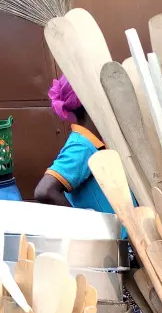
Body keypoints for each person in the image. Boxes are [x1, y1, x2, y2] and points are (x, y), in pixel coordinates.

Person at [33, 76, 117, 214]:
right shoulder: (82, 146)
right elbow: (45, 191)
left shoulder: (95, 142)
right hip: (104, 235)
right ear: (95, 104)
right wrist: (82, 225)